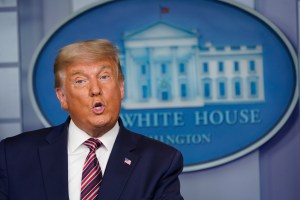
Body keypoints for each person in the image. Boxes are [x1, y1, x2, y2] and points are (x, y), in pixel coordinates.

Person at [0, 39, 184, 200]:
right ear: (62, 97)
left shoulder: (160, 161)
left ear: (121, 88)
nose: (95, 89)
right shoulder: (13, 156)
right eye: (80, 81)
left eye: (104, 77)